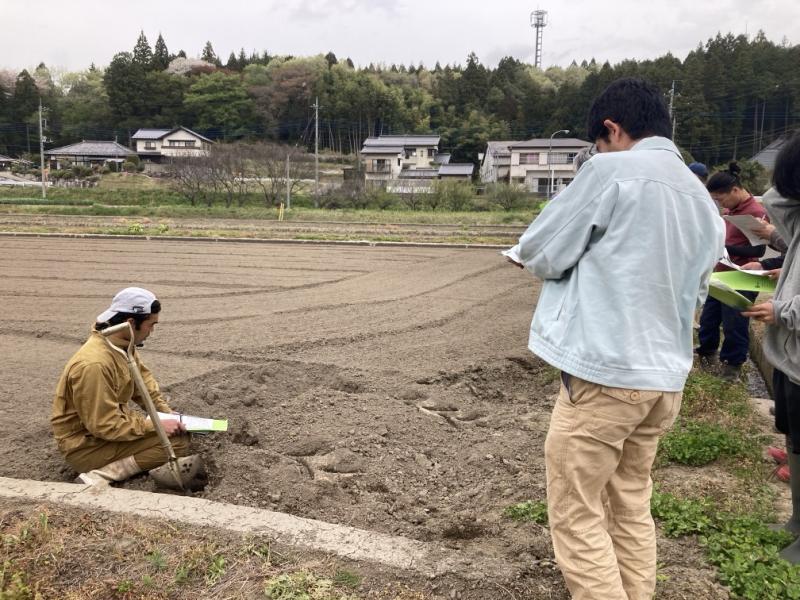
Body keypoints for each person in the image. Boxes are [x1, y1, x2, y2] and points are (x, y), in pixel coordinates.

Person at [506, 78, 725, 599]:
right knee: (630, 501)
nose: (599, 152)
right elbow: (700, 292)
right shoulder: (702, 199)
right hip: (664, 379)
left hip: (605, 375)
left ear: (612, 129)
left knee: (576, 512)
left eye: (598, 143)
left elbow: (540, 251)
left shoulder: (611, 171)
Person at [51, 287, 194, 485]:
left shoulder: (120, 344)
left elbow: (143, 385)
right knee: (176, 443)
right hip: (85, 446)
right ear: (131, 323)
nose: (152, 331)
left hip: (101, 435)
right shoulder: (94, 365)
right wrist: (157, 426)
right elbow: (105, 425)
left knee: (177, 434)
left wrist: (167, 414)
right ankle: (101, 475)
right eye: (151, 325)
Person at [741, 131, 800, 561]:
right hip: (792, 357)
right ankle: (797, 521)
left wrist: (781, 311)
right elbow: (774, 200)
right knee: (796, 442)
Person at [695, 163, 768, 380]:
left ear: (735, 191)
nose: (720, 203)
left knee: (734, 323)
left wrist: (724, 248)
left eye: (721, 198)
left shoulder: (756, 212)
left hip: (743, 275)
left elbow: (759, 249)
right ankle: (706, 353)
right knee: (709, 316)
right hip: (721, 272)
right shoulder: (731, 211)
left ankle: (732, 366)